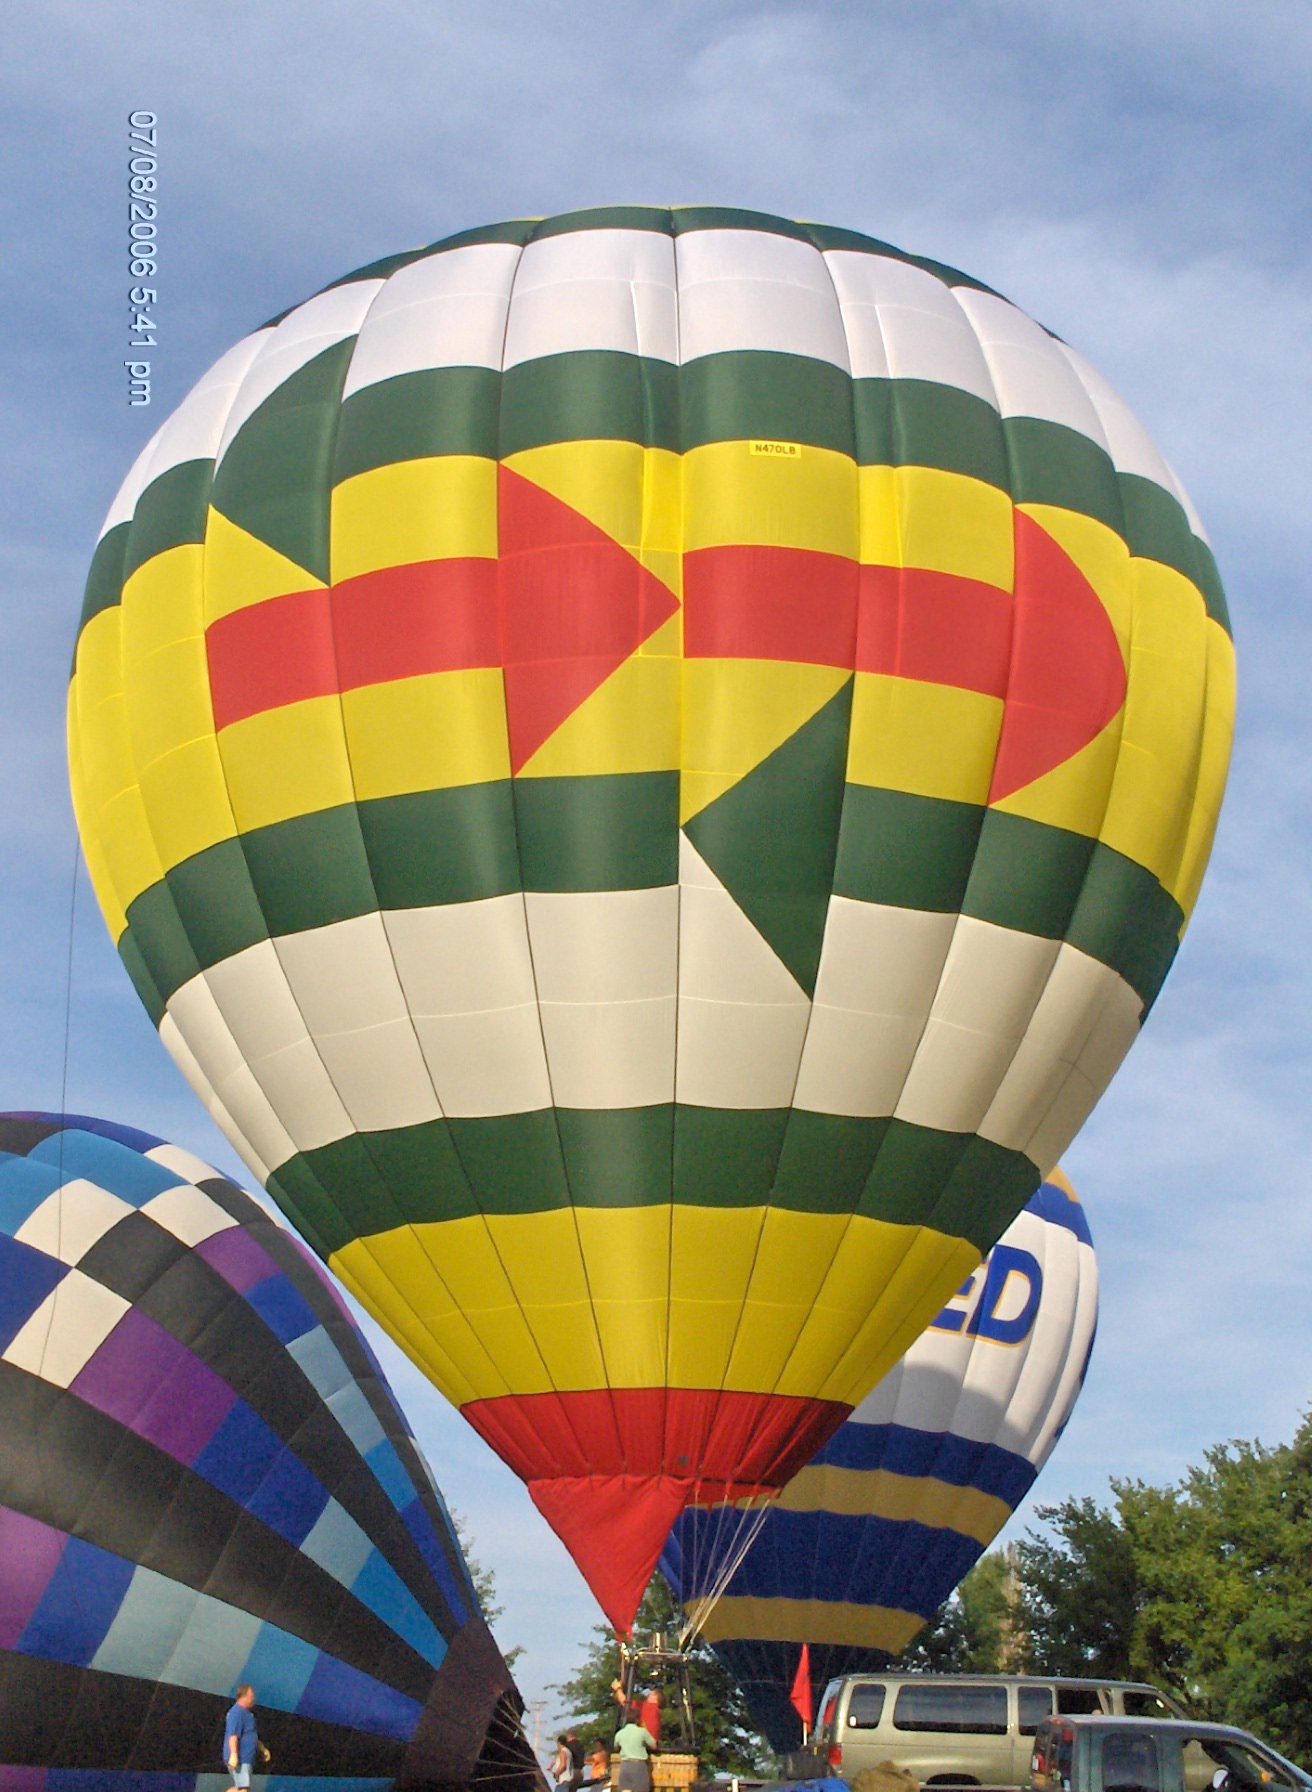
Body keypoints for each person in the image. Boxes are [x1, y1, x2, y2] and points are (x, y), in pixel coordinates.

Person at [223, 1685, 268, 1787]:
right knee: (242, 1788)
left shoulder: (247, 1714)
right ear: (244, 1697)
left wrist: (262, 1749)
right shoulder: (236, 1713)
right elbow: (233, 1735)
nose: (254, 1699)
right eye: (251, 1696)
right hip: (240, 1759)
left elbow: (250, 1734)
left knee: (241, 1788)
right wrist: (233, 1755)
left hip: (246, 1759)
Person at [613, 1704, 657, 1792]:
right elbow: (654, 1746)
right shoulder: (642, 1731)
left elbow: (616, 1748)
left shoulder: (620, 1733)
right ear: (637, 1719)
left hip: (625, 1765)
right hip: (638, 1766)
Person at [564, 1726, 586, 1792]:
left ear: (568, 1736)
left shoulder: (567, 1746)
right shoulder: (581, 1745)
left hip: (571, 1772)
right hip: (580, 1773)